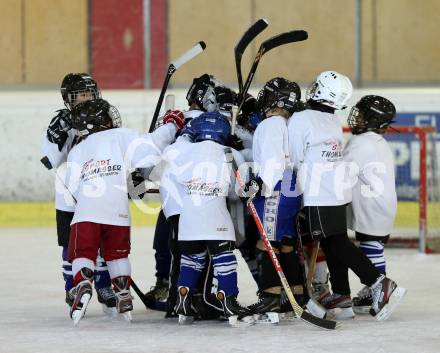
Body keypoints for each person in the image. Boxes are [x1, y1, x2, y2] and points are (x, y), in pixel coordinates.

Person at [287, 71, 406, 321]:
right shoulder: (330, 118)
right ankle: (342, 295)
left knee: (336, 242)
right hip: (337, 192)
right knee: (333, 242)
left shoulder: (301, 118)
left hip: (319, 192)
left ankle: (377, 282)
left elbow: (294, 157)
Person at [65, 99, 184, 325]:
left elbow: (71, 189)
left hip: (86, 213)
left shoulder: (77, 150)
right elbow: (152, 147)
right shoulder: (120, 135)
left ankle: (82, 284)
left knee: (82, 253)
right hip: (117, 212)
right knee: (117, 254)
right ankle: (123, 295)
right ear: (99, 120)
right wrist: (171, 125)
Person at [41, 73, 119, 313]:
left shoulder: (103, 115)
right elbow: (51, 160)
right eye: (81, 95)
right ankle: (71, 287)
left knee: (104, 244)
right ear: (69, 98)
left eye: (90, 93)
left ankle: (104, 286)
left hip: (99, 193)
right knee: (70, 245)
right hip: (69, 197)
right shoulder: (62, 122)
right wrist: (61, 134)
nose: (87, 98)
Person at [164, 111, 252, 325]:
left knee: (191, 261)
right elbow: (236, 192)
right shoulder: (230, 153)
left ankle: (183, 300)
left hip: (188, 220)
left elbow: (169, 176)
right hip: (216, 219)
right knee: (224, 260)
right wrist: (250, 188)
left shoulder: (184, 151)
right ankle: (228, 299)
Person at [244, 78, 304, 320]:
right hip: (293, 188)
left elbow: (273, 160)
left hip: (275, 188)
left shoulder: (270, 125)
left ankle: (270, 299)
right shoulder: (293, 124)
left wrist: (260, 183)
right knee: (286, 243)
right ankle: (296, 296)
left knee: (266, 242)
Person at [344, 95, 404, 313]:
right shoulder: (378, 141)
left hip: (371, 205)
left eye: (361, 115)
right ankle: (372, 292)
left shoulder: (361, 142)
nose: (356, 118)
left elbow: (343, 172)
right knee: (373, 246)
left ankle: (378, 288)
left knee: (370, 246)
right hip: (382, 204)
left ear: (372, 119)